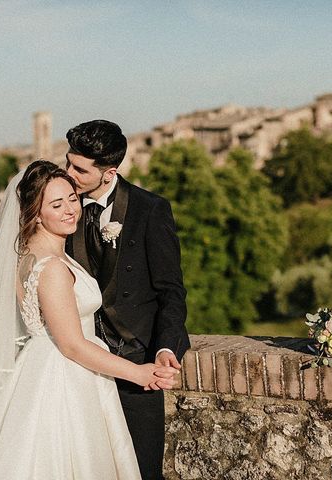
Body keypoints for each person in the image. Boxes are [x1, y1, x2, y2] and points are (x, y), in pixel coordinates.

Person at [0, 161, 179, 479]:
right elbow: (73, 346)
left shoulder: (27, 255)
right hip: (66, 378)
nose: (70, 210)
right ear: (35, 212)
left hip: (43, 367)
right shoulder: (52, 269)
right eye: (56, 204)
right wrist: (139, 373)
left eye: (72, 199)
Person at [65, 120, 190, 480]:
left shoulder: (150, 210)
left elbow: (171, 290)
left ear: (110, 173)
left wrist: (166, 347)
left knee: (142, 469)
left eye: (79, 169)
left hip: (138, 365)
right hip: (79, 366)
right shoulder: (60, 210)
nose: (68, 173)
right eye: (68, 162)